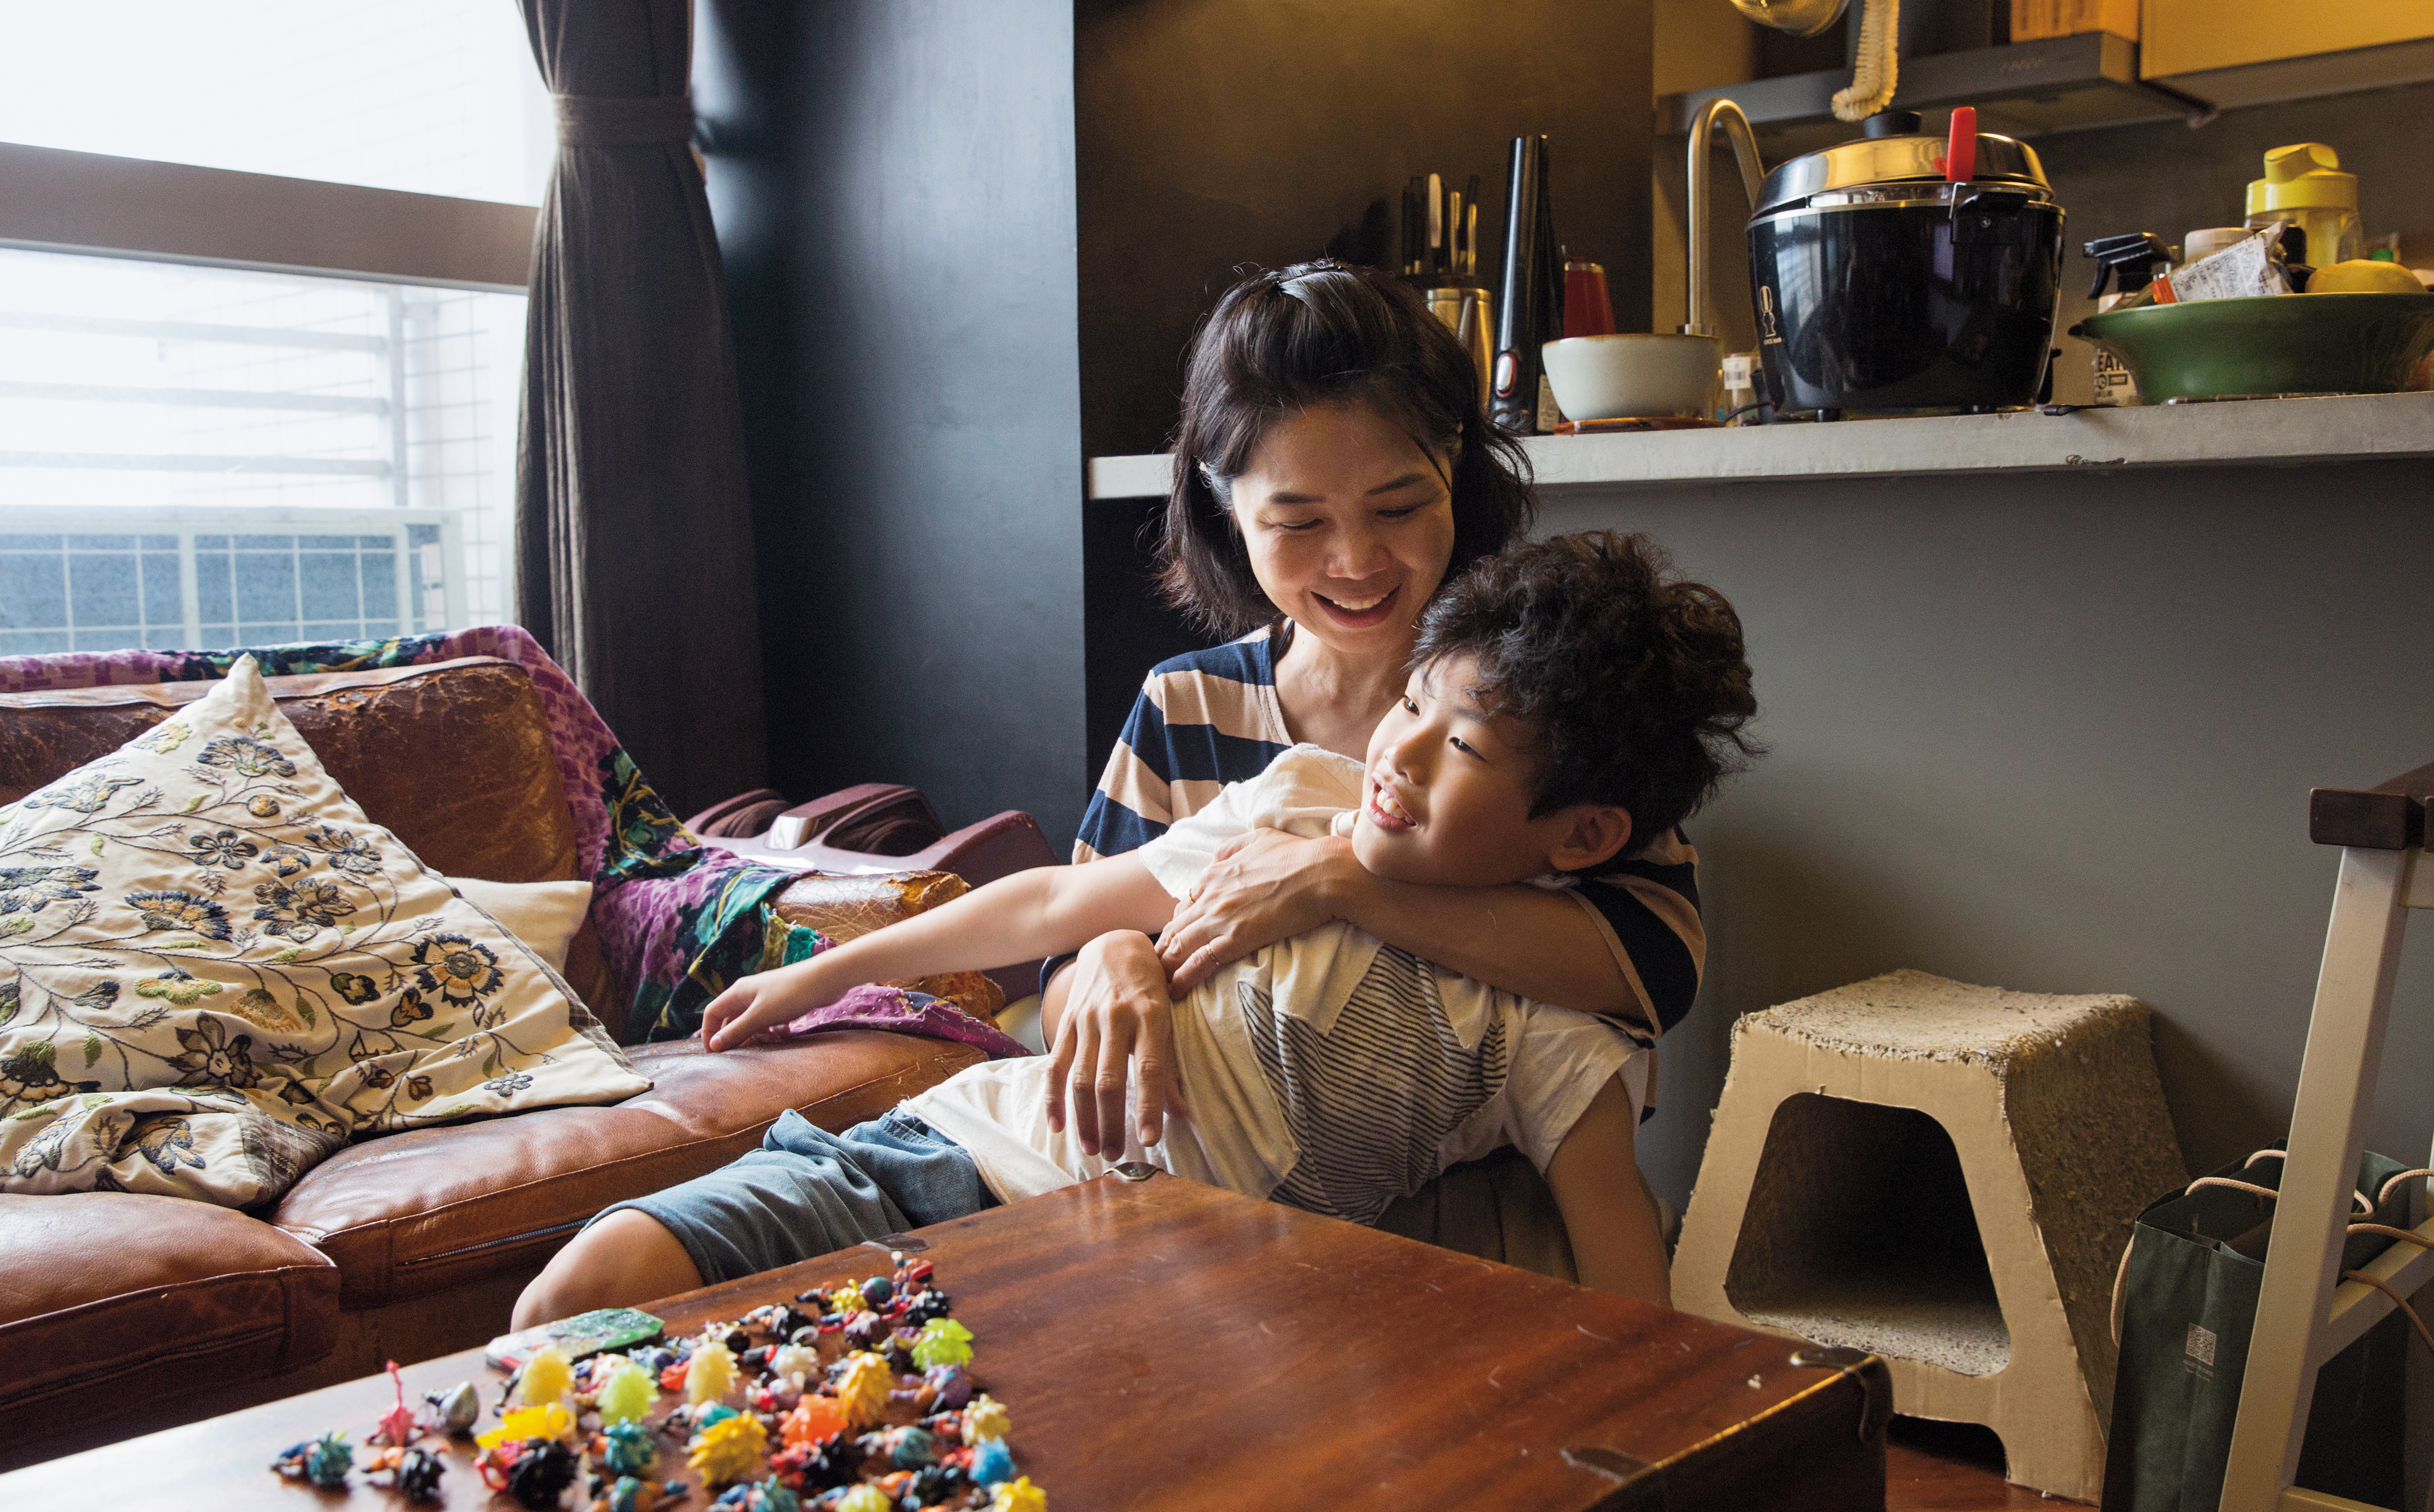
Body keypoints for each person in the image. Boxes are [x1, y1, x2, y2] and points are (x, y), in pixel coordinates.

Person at [513, 533, 1757, 1322]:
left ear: (1584, 837)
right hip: (947, 1164)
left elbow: (1617, 1247)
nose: (1400, 749)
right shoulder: (1297, 799)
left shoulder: (1545, 1023)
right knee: (585, 1292)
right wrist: (817, 975)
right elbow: (1059, 900)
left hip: (1150, 1296)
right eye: (1415, 703)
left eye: (1466, 743)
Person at [1050, 263, 1709, 1198]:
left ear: (1457, 470)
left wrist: (1335, 882)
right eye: (1297, 520)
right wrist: (1115, 955)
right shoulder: (1185, 703)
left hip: (1487, 1206)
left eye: (1398, 508)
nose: (1356, 561)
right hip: (1212, 1211)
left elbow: (1654, 963)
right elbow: (1057, 962)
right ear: (1224, 507)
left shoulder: (1530, 693)